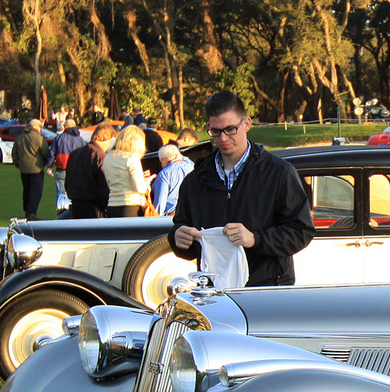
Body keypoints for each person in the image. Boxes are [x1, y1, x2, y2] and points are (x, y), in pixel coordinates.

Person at [169, 91, 314, 287]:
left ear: (246, 123)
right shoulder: (195, 180)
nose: (223, 138)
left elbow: (301, 232)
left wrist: (255, 239)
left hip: (266, 290)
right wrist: (178, 238)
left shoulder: (279, 173)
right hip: (216, 292)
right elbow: (183, 230)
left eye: (230, 129)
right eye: (215, 131)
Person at [65, 123, 116, 218]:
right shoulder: (99, 156)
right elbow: (103, 184)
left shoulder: (75, 153)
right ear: (106, 139)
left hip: (75, 203)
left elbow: (68, 179)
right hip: (94, 206)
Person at [103, 125, 150, 218]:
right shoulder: (132, 158)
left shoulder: (108, 157)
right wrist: (146, 182)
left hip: (112, 205)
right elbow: (140, 188)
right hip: (131, 205)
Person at [12, 118, 51, 220]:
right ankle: (31, 213)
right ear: (36, 127)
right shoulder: (39, 138)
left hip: (23, 169)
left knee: (27, 190)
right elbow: (45, 152)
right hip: (36, 169)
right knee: (35, 191)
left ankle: (27, 210)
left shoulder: (20, 138)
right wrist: (47, 163)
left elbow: (14, 152)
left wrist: (17, 164)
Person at [49, 119, 85, 211]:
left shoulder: (59, 138)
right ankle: (73, 210)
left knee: (60, 191)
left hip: (62, 167)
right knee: (75, 191)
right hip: (76, 169)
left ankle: (61, 210)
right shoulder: (80, 139)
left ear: (65, 127)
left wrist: (49, 166)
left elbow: (52, 152)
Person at [150, 143, 193, 215]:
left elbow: (160, 202)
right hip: (193, 214)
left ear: (164, 160)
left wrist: (156, 218)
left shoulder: (164, 174)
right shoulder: (192, 166)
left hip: (173, 216)